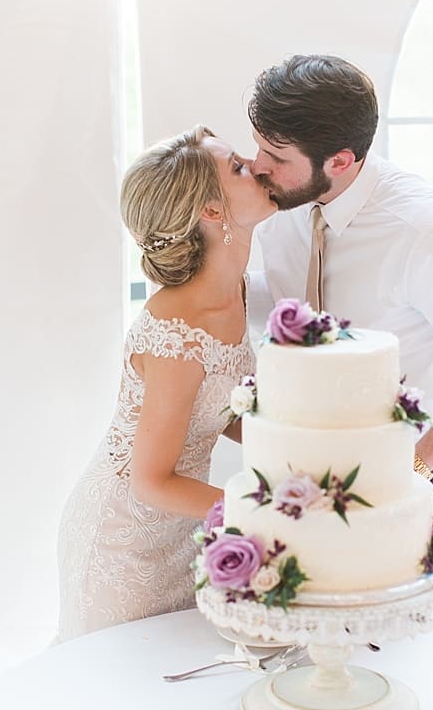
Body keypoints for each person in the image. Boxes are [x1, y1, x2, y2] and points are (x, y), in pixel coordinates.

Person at [246, 54, 433, 510]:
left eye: (276, 156)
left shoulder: (427, 231)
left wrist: (411, 471)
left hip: (408, 468)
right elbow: (288, 296)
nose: (258, 166)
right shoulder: (285, 200)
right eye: (258, 146)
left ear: (339, 161)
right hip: (297, 466)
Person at [55, 126, 276, 642]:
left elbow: (218, 410)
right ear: (212, 211)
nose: (256, 165)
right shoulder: (176, 335)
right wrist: (259, 514)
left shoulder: (234, 289)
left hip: (181, 526)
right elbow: (149, 480)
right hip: (121, 538)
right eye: (239, 168)